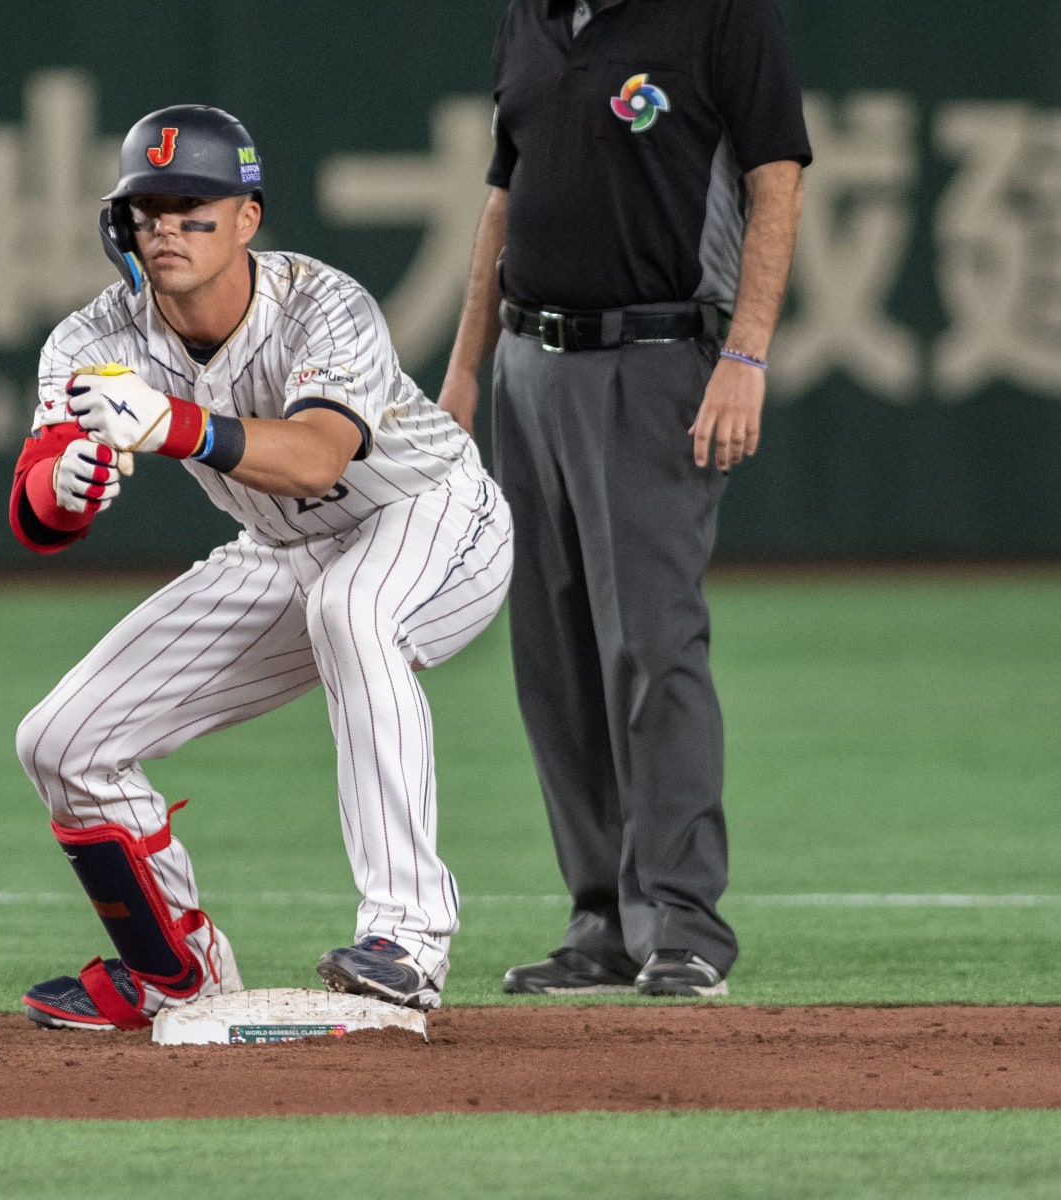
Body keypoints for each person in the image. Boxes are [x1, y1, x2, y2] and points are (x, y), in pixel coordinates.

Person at [9, 104, 514, 1029]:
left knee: (355, 613)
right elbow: (36, 510)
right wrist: (65, 487)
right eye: (147, 208)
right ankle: (176, 973)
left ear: (247, 216)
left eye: (193, 206)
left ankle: (407, 939)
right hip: (281, 550)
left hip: (433, 515)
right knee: (61, 743)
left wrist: (173, 426)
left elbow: (321, 457)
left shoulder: (323, 302)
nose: (166, 227)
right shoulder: (93, 340)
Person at [438, 0, 811, 997]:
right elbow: (501, 198)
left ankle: (683, 922)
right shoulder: (528, 19)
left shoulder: (719, 15)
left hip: (652, 361)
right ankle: (602, 916)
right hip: (526, 359)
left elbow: (778, 181)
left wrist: (745, 352)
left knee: (652, 645)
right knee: (552, 656)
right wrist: (465, 371)